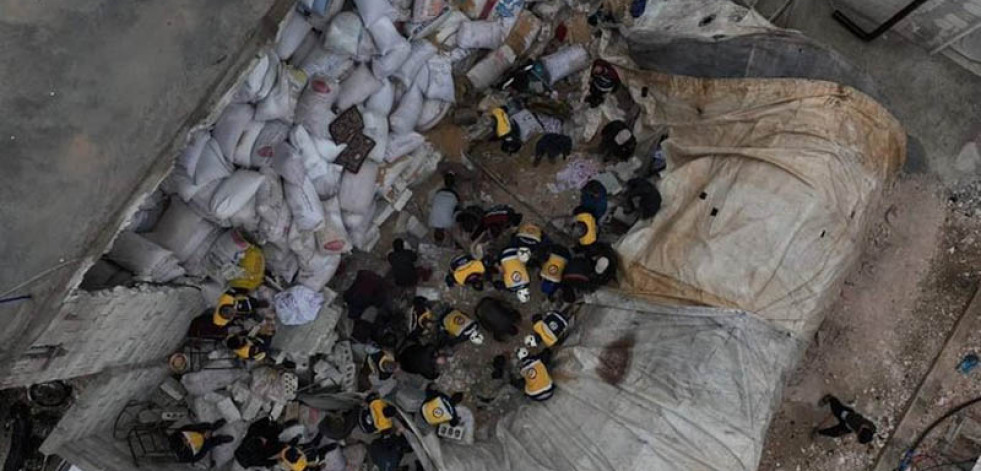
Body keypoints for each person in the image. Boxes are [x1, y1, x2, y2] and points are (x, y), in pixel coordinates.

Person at [168, 419, 233, 463]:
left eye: (185, 439)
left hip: (199, 432)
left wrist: (203, 431)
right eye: (187, 444)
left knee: (208, 427)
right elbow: (201, 454)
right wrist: (206, 440)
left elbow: (189, 427)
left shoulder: (177, 435)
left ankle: (214, 427)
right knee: (212, 443)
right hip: (202, 446)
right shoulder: (185, 456)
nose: (187, 441)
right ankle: (219, 439)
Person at [429, 172, 460, 244]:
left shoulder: (448, 224)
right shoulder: (430, 222)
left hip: (453, 196)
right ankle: (450, 178)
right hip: (440, 194)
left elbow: (456, 215)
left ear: (444, 233)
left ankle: (452, 179)